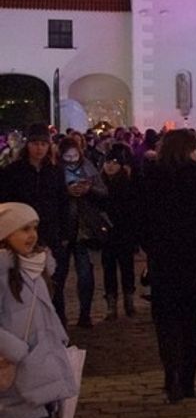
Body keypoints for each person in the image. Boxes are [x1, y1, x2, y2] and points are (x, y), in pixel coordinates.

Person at [0, 203, 99, 418]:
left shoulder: (35, 265)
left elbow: (44, 312)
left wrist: (59, 339)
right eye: (24, 229)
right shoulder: (2, 270)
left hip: (38, 359)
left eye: (34, 228)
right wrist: (16, 350)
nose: (32, 235)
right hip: (17, 362)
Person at [138, 130, 196, 403]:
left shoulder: (152, 177)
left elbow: (143, 219)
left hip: (164, 256)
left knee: (167, 321)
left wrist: (151, 246)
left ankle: (171, 375)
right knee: (193, 323)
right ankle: (188, 381)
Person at [0, 124, 67, 279]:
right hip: (22, 232)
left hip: (51, 232)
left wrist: (64, 232)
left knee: (55, 282)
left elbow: (62, 201)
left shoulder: (55, 171)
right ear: (28, 144)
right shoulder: (13, 171)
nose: (39, 148)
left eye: (43, 144)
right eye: (35, 143)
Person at [55, 137, 107, 329]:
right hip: (63, 227)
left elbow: (103, 192)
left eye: (74, 155)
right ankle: (59, 316)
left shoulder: (88, 167)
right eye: (67, 156)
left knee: (85, 272)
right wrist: (67, 191)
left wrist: (88, 189)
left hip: (84, 227)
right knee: (59, 274)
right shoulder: (55, 170)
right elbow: (51, 195)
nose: (71, 159)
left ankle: (85, 314)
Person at [99, 143, 139, 319]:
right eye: (108, 162)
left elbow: (134, 210)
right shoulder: (99, 185)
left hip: (124, 232)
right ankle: (111, 304)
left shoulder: (129, 184)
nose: (110, 166)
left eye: (114, 163)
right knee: (108, 269)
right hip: (106, 233)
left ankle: (129, 301)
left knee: (127, 267)